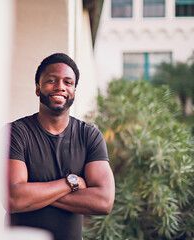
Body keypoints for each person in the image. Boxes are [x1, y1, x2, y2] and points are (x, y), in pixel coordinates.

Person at [7, 53, 115, 240]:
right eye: (51, 80)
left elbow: (104, 201)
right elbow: (14, 198)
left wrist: (35, 195)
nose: (60, 87)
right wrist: (70, 183)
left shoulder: (89, 136)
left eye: (68, 82)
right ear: (37, 88)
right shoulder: (16, 133)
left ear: (74, 90)